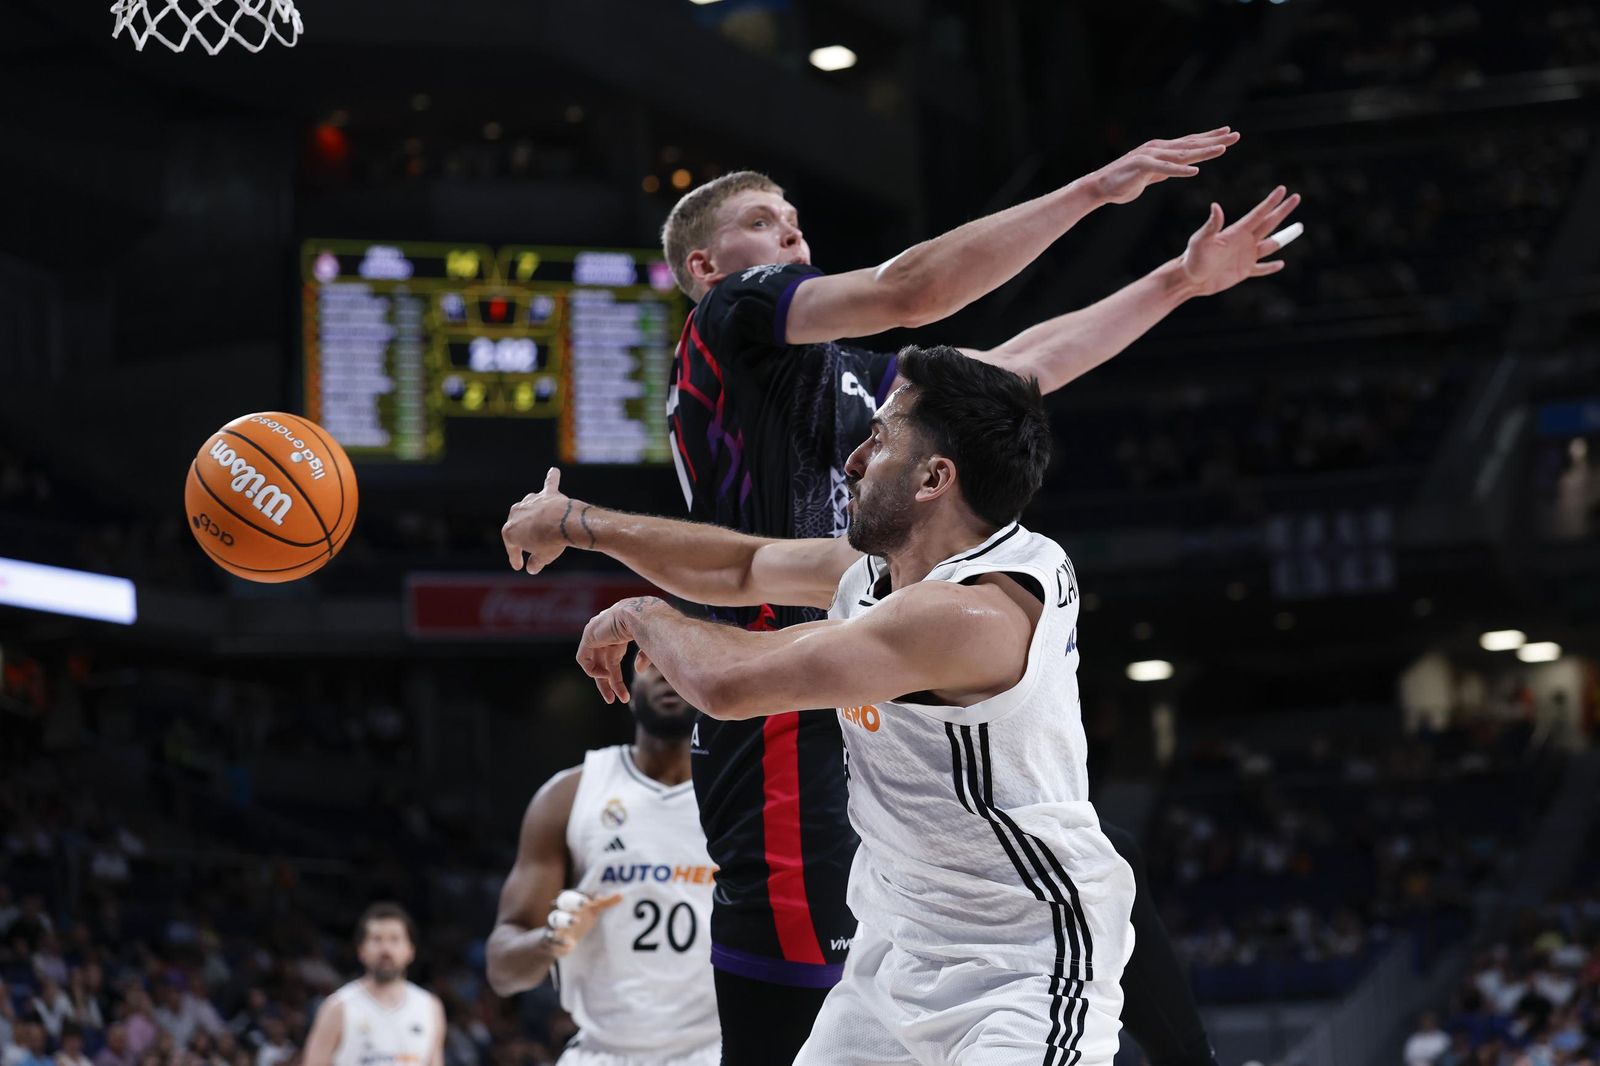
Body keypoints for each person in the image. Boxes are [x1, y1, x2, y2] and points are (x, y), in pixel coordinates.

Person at [592, 138, 1296, 1064]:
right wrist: (1091, 192)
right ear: (704, 266)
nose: (793, 234)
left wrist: (1173, 281)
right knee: (811, 961)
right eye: (763, 223)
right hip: (784, 706)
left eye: (796, 220)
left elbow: (1013, 369)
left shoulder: (859, 406)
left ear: (930, 471)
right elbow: (907, 295)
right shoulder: (734, 311)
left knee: (1071, 847)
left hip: (844, 684)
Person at [506, 346, 1133, 1063]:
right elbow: (740, 565)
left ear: (935, 478)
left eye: (881, 438)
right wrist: (574, 522)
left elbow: (730, 686)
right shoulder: (883, 570)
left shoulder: (973, 614)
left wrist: (646, 616)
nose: (855, 459)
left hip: (1021, 964)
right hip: (896, 950)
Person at [486, 660, 719, 1066]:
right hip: (603, 1050)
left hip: (714, 1049)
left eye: (680, 659)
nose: (666, 672)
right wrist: (551, 940)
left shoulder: (740, 798)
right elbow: (502, 971)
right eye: (651, 661)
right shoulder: (568, 796)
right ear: (627, 686)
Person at [302, 903, 443, 1066]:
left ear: (410, 950)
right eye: (377, 939)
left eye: (395, 939)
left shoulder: (430, 1007)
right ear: (361, 950)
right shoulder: (338, 1007)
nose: (386, 949)